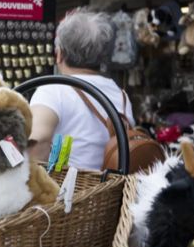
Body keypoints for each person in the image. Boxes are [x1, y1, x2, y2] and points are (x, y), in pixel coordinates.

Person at [29, 12, 135, 171]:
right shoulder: (121, 94)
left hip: (69, 191)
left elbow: (38, 141)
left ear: (59, 54)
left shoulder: (53, 89)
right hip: (112, 190)